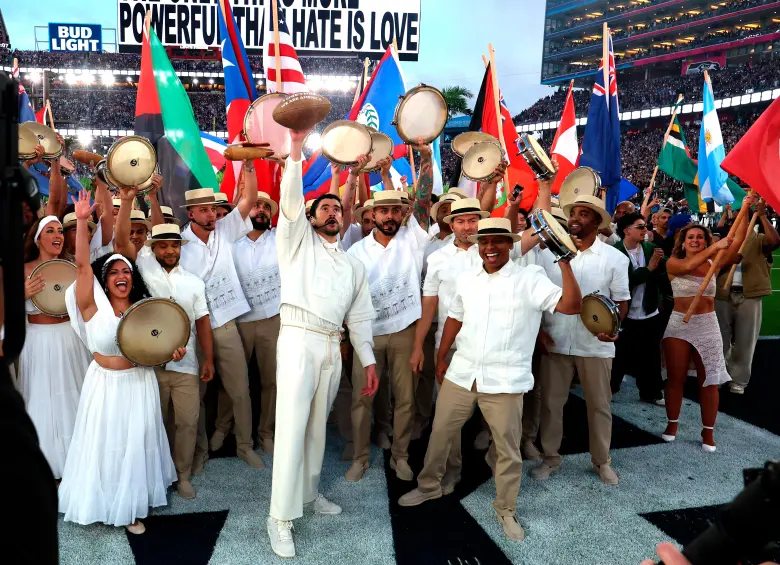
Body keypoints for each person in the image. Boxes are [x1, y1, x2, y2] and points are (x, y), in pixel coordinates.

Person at [398, 217, 582, 542]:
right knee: (440, 434)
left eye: (498, 241)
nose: (490, 247)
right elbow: (455, 316)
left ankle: (505, 509)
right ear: (479, 246)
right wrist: (441, 356)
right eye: (485, 242)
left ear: (510, 244)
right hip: (462, 372)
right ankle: (429, 487)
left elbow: (571, 305)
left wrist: (565, 264)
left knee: (508, 452)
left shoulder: (531, 278)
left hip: (505, 381)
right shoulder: (468, 278)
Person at [267, 125, 378, 559]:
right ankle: (278, 518)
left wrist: (367, 360)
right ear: (311, 219)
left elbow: (361, 317)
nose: (333, 213)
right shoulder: (295, 244)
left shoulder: (354, 265)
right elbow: (291, 203)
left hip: (333, 346)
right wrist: (296, 150)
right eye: (324, 209)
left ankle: (310, 496)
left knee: (317, 428)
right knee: (292, 429)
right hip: (297, 340)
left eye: (338, 209)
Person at [59, 190, 178, 535]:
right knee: (105, 442)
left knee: (133, 443)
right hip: (104, 385)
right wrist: (82, 222)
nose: (121, 275)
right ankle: (103, 500)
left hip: (138, 384)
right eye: (114, 272)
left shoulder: (144, 310)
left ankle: (129, 507)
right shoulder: (91, 305)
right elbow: (82, 265)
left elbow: (163, 343)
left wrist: (173, 352)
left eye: (126, 270)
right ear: (105, 280)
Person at [115, 187, 216, 500]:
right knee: (153, 425)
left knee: (187, 423)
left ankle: (183, 475)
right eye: (164, 246)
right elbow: (121, 243)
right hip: (148, 365)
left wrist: (208, 359)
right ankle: (155, 477)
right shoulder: (142, 270)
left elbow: (202, 323)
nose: (171, 251)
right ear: (153, 248)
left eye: (175, 246)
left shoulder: (194, 282)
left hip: (186, 364)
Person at [346, 138, 435, 483]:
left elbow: (424, 198)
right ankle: (360, 458)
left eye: (396, 211)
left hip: (404, 333)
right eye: (382, 211)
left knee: (406, 399)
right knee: (362, 400)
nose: (390, 216)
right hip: (367, 335)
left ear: (402, 214)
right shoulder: (356, 253)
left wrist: (425, 158)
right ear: (372, 215)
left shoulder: (412, 239)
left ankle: (400, 457)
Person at [532, 194, 630, 485]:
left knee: (599, 405)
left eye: (584, 214)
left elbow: (621, 303)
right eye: (573, 213)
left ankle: (602, 461)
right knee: (551, 403)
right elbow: (534, 297)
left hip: (596, 345)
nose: (575, 219)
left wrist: (615, 329)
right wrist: (538, 331)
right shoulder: (546, 253)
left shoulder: (615, 258)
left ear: (598, 223)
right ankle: (550, 458)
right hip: (556, 340)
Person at [177, 164, 264, 470]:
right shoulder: (178, 244)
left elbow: (250, 197)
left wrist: (249, 164)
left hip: (225, 324)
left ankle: (245, 446)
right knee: (196, 396)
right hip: (193, 329)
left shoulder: (226, 229)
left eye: (212, 210)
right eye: (203, 211)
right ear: (191, 214)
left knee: (240, 389)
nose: (210, 215)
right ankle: (199, 452)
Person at [661, 202, 754, 452]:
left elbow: (737, 241)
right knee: (675, 377)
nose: (694, 240)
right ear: (682, 242)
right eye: (690, 237)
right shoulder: (673, 263)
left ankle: (708, 431)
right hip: (679, 324)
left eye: (699, 237)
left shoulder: (715, 261)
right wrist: (715, 247)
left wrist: (743, 211)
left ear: (704, 240)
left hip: (708, 323)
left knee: (710, 380)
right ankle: (672, 424)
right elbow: (689, 267)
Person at [19, 215, 91, 480]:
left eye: (60, 230)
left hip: (70, 339)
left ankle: (77, 464)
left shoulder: (72, 267)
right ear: (38, 239)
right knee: (43, 401)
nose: (58, 235)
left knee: (73, 397)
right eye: (50, 230)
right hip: (39, 342)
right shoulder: (22, 270)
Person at [232, 190, 282, 455]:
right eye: (256, 205)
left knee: (270, 381)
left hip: (272, 318)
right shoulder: (231, 242)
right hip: (239, 321)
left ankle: (266, 432)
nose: (261, 210)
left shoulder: (279, 240)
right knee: (237, 382)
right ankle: (233, 431)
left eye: (266, 207)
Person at [715, 199, 779, 394]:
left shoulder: (759, 239)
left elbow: (775, 241)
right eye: (736, 217)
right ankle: (719, 374)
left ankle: (739, 380)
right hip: (723, 293)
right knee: (720, 338)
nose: (738, 220)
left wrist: (762, 215)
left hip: (749, 294)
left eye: (743, 217)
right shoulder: (725, 240)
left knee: (745, 339)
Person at [611, 212, 668, 405]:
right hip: (625, 313)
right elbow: (623, 283)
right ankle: (610, 389)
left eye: (645, 226)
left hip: (649, 311)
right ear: (627, 230)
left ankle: (651, 392)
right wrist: (649, 269)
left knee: (651, 355)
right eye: (640, 226)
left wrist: (661, 266)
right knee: (619, 355)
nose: (645, 230)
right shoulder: (615, 252)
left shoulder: (651, 248)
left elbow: (665, 275)